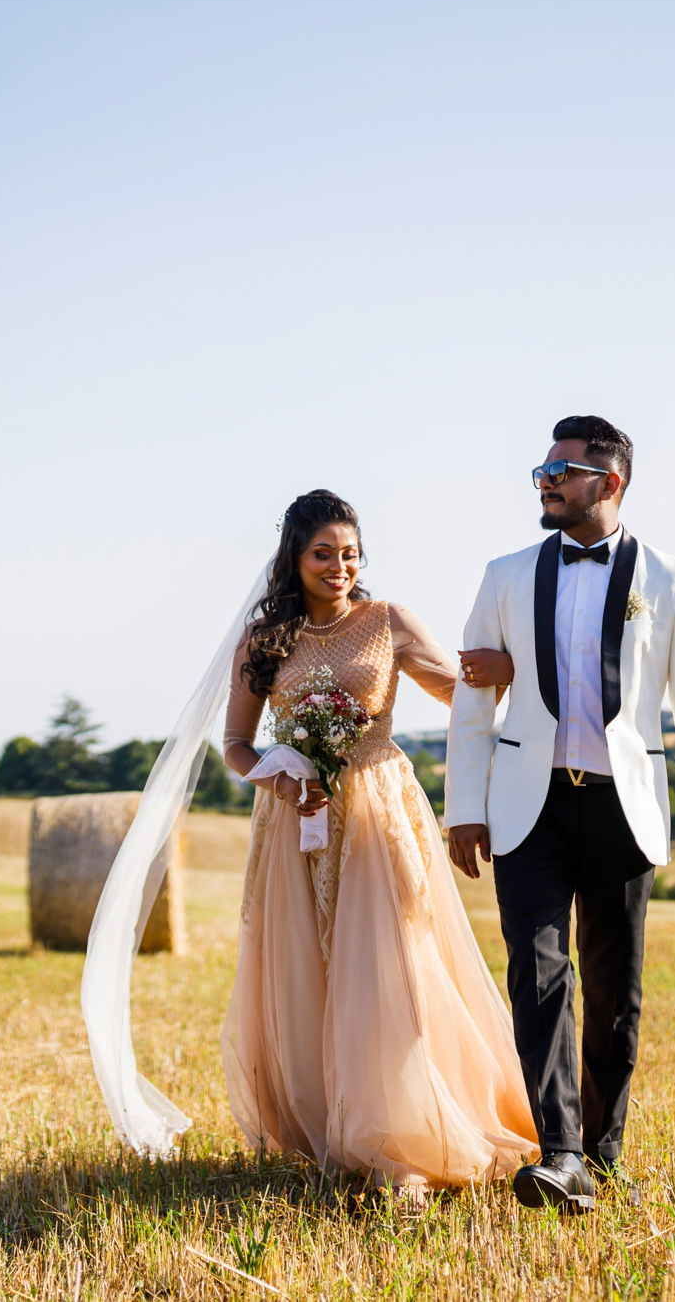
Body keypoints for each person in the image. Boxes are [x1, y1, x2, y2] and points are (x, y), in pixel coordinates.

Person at [446, 416, 675, 1216]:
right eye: (541, 468)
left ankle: (602, 1156)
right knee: (537, 979)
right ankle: (559, 1151)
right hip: (527, 808)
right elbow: (474, 697)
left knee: (614, 993)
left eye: (560, 469)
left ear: (610, 483)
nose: (545, 480)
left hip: (623, 808)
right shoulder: (504, 573)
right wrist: (464, 807)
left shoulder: (673, 581)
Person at [217, 489, 538, 1202]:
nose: (339, 565)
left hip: (379, 810)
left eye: (350, 553)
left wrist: (505, 677)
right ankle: (340, 1125)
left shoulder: (387, 621)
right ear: (294, 558)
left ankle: (407, 1142)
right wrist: (282, 779)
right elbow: (237, 744)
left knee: (396, 966)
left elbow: (463, 696)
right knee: (315, 973)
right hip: (296, 820)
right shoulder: (264, 639)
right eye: (323, 553)